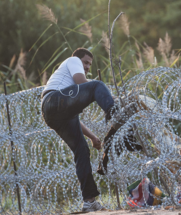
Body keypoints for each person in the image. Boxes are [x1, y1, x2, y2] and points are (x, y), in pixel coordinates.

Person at [41, 48, 116, 212]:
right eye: (86, 62)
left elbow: (73, 118)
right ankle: (116, 115)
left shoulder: (69, 91)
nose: (88, 66)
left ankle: (89, 201)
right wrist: (105, 98)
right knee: (96, 84)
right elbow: (84, 83)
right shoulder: (72, 60)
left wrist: (93, 137)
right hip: (54, 99)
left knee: (82, 150)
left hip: (53, 113)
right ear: (77, 59)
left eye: (90, 64)